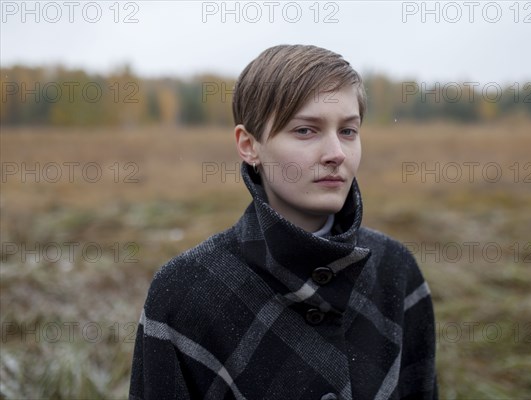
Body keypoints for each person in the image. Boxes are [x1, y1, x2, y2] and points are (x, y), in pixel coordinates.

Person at [129, 44, 437, 400]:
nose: (336, 153)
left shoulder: (395, 271)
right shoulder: (184, 294)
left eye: (348, 131)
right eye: (306, 130)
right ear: (248, 145)